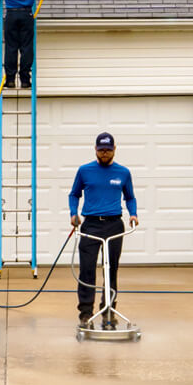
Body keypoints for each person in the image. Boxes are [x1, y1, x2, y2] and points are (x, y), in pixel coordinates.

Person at [68, 132, 138, 326]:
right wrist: (74, 214)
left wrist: (133, 214)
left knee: (110, 269)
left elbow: (130, 197)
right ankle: (85, 312)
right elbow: (74, 194)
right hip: (91, 224)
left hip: (114, 224)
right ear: (95, 150)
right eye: (101, 150)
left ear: (114, 149)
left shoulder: (123, 172)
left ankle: (108, 309)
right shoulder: (85, 171)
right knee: (87, 270)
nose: (104, 153)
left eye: (108, 150)